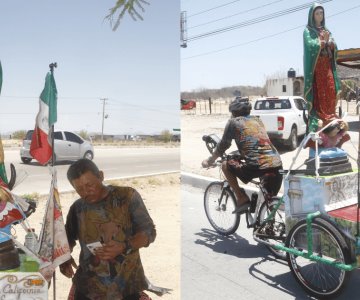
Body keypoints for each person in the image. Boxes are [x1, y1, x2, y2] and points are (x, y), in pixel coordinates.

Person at [59, 159, 156, 300]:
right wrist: (64, 259)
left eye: (90, 185)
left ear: (101, 176)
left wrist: (124, 246)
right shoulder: (77, 208)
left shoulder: (127, 196)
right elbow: (68, 238)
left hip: (126, 287)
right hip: (87, 288)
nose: (86, 192)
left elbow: (149, 232)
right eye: (79, 189)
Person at [202, 98, 283, 214]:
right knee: (269, 202)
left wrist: (210, 160)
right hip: (277, 163)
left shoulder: (233, 122)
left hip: (256, 166)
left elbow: (223, 145)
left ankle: (241, 197)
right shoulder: (257, 120)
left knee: (225, 165)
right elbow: (255, 143)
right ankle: (269, 225)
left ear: (234, 112)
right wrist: (241, 154)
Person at [303, 3, 341, 133]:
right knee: (321, 91)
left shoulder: (327, 30)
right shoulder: (308, 31)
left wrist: (330, 43)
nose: (320, 15)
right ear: (312, 15)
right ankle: (321, 116)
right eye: (317, 13)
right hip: (317, 67)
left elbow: (335, 46)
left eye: (321, 13)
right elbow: (310, 46)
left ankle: (331, 114)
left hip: (327, 65)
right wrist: (322, 42)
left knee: (331, 88)